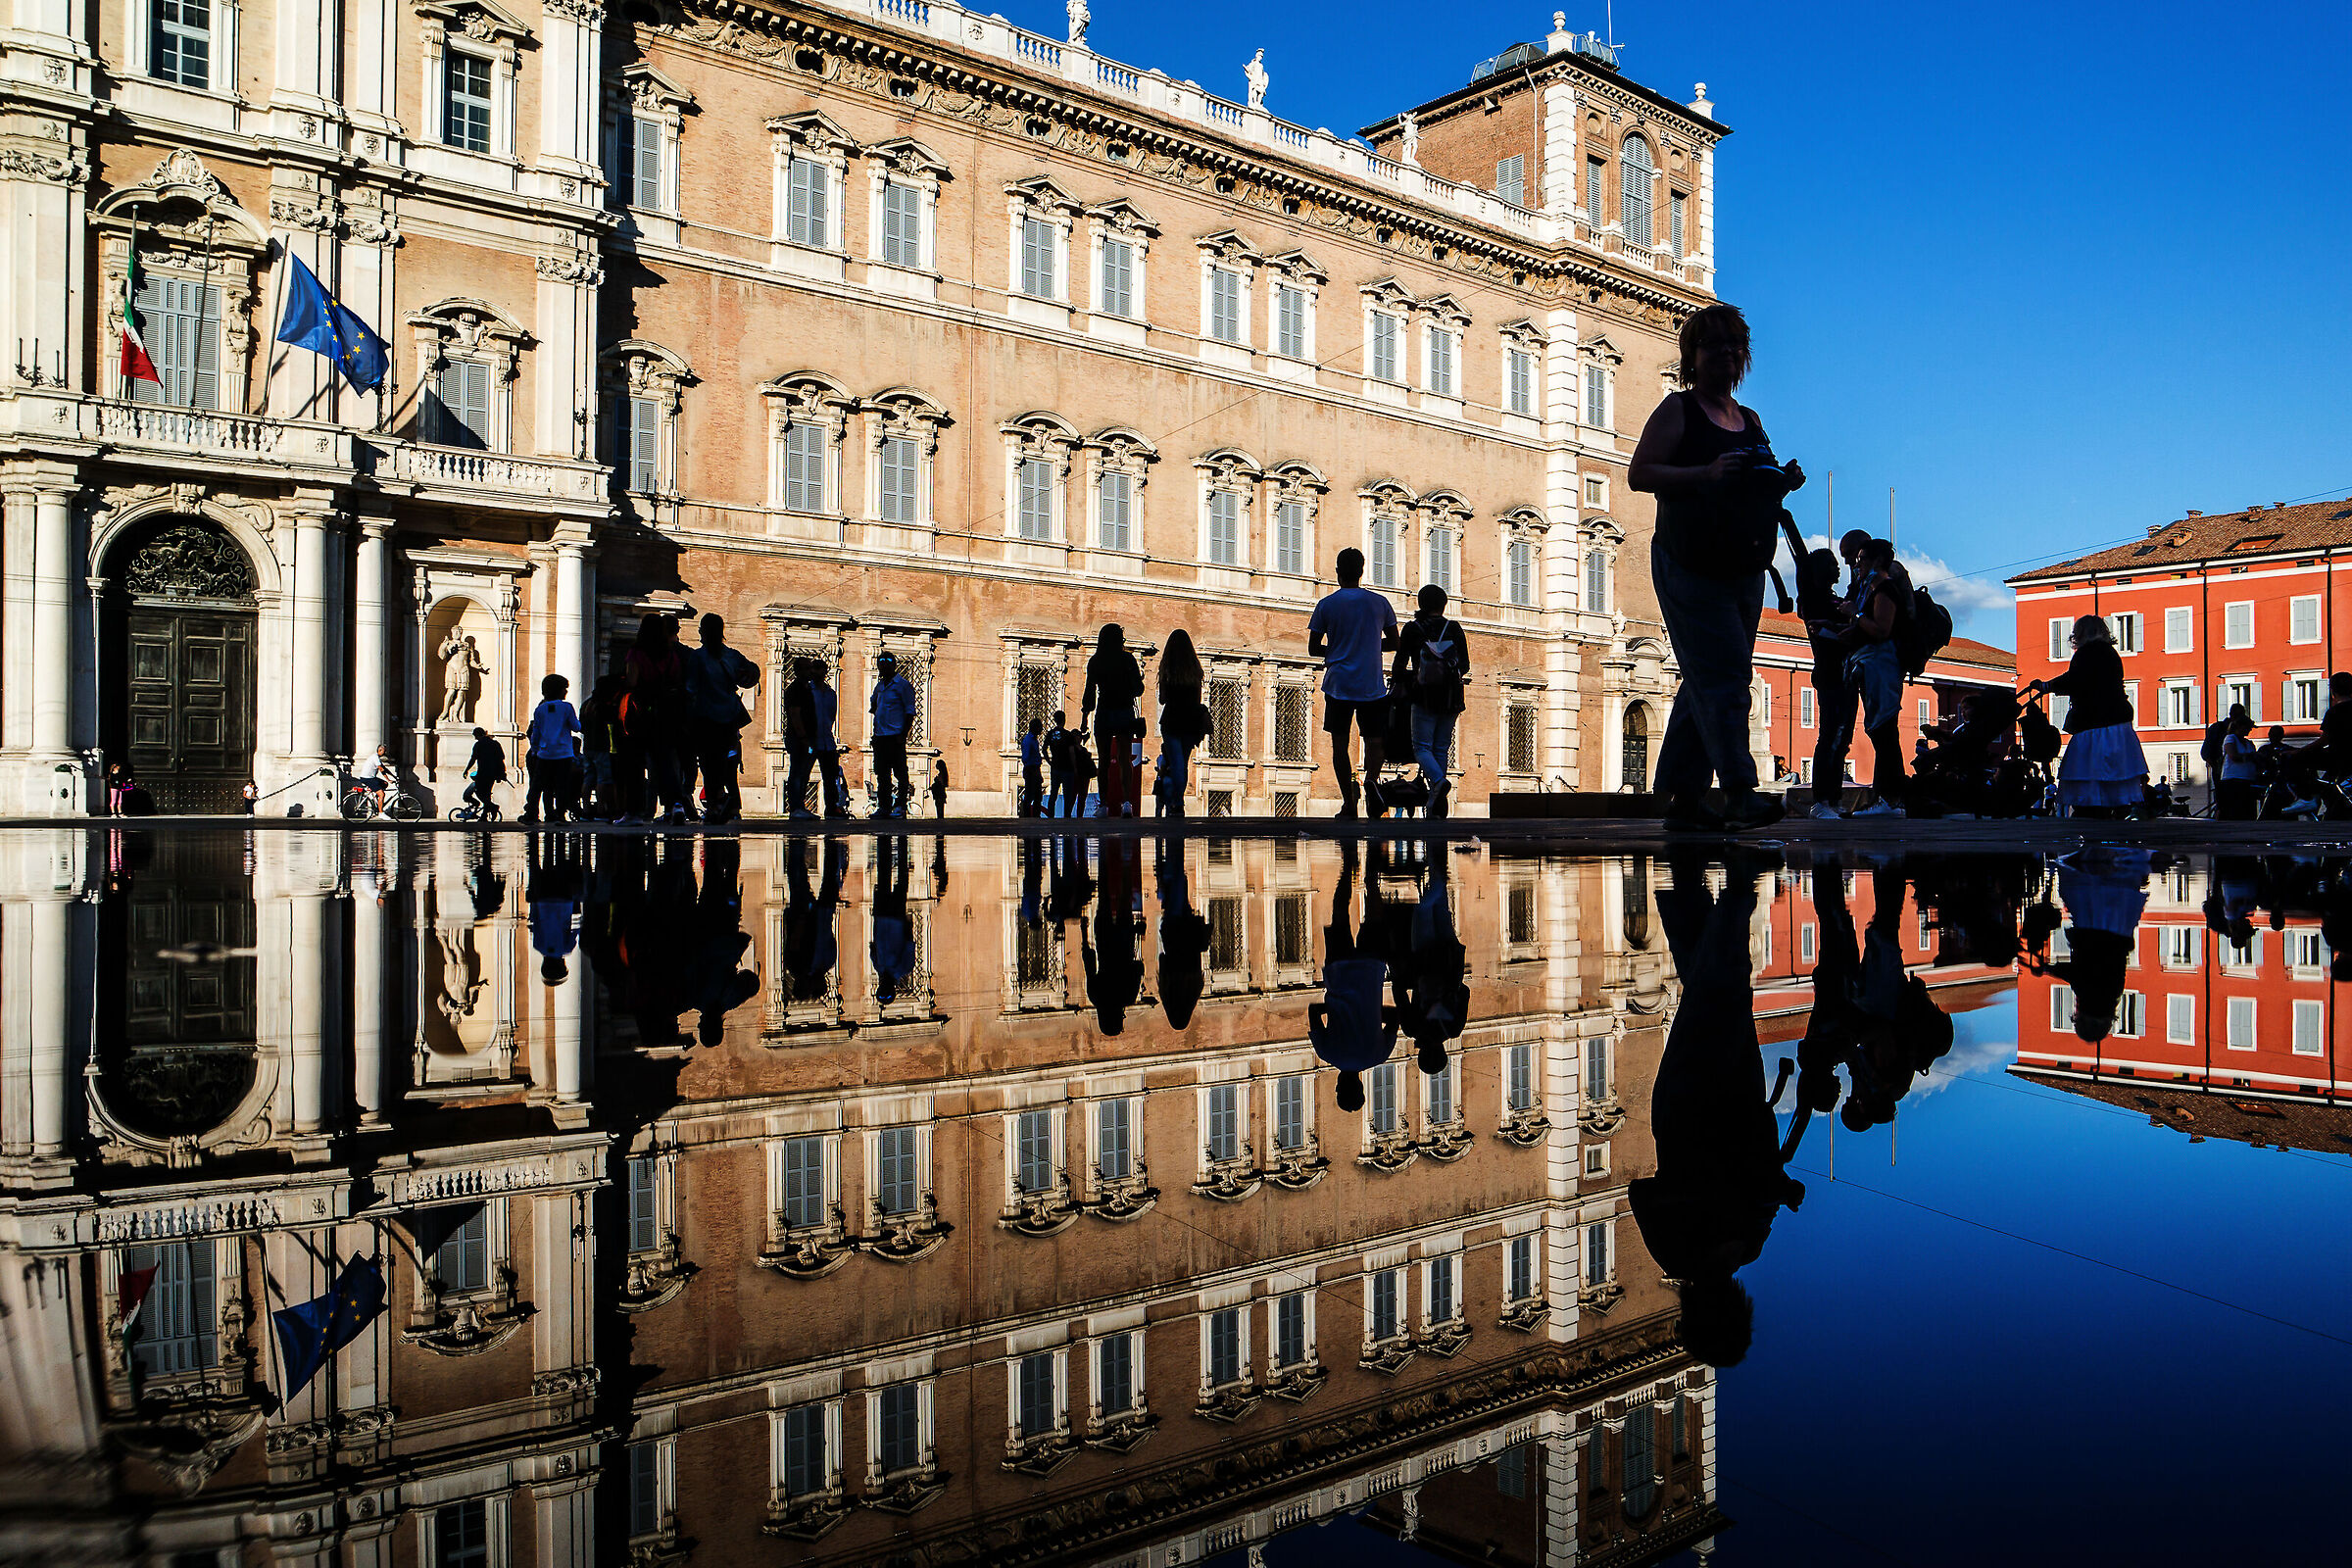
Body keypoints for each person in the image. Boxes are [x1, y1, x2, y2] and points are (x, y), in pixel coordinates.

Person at [1628, 302, 1804, 832]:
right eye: (1715, 346)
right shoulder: (1679, 411)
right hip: (1690, 564)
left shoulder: (1749, 420)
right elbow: (1641, 474)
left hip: (1745, 567)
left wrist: (1778, 479)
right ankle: (1738, 791)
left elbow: (1750, 478)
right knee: (1726, 676)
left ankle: (1682, 797)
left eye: (1735, 346)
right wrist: (1705, 472)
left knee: (1705, 677)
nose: (1727, 355)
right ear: (1693, 356)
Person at [1306, 548, 1400, 819]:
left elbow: (1314, 648)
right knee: (1375, 741)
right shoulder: (1380, 603)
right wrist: (1369, 647)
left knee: (1339, 745)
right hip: (1371, 684)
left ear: (1337, 572)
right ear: (1362, 571)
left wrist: (1338, 650)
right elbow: (1395, 643)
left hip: (1338, 684)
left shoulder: (1326, 605)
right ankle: (1371, 778)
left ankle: (1349, 802)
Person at [2024, 614, 2147, 818]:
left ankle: (2091, 815)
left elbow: (2073, 680)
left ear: (2079, 634)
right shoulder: (2110, 653)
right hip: (2118, 724)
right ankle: (2114, 813)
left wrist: (2047, 686)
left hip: (2093, 724)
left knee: (2089, 774)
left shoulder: (2085, 654)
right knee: (2113, 778)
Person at [1308, 844, 1398, 1109]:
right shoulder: (1327, 1053)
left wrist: (1369, 1009)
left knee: (1373, 915)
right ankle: (1348, 868)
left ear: (1360, 1086)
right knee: (1340, 911)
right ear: (1339, 1087)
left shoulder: (1379, 1055)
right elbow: (1314, 1013)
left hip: (1370, 972)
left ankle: (1371, 872)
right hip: (1338, 972)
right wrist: (1336, 1005)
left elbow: (1393, 1017)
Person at [1832, 537, 1911, 817]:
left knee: (1884, 731)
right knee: (1880, 730)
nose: (1856, 563)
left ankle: (1890, 800)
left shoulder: (1884, 588)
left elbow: (1881, 630)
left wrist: (1854, 615)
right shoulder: (1871, 587)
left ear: (1877, 561)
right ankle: (1888, 798)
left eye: (1861, 558)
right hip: (1872, 666)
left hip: (1881, 667)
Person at [1391, 584, 1470, 818]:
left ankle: (1438, 781)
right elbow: (1464, 665)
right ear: (1444, 604)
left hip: (1423, 695)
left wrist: (1413, 677)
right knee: (1440, 747)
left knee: (1422, 748)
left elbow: (1398, 667)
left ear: (1420, 604)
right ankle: (1437, 802)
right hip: (1451, 697)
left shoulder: (1412, 629)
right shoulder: (1454, 628)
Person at [684, 613, 760, 827]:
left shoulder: (698, 658)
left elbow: (690, 688)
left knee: (709, 763)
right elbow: (751, 674)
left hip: (706, 718)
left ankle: (717, 804)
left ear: (703, 632)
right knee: (724, 762)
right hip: (729, 718)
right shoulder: (732, 656)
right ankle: (725, 802)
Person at [1796, 549, 1855, 820]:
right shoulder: (1812, 598)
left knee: (1842, 740)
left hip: (1845, 673)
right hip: (1831, 672)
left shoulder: (1835, 600)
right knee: (1830, 737)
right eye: (1833, 564)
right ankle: (1821, 801)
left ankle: (1832, 799)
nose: (1839, 568)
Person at [624, 612, 690, 824]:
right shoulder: (670, 655)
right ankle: (676, 805)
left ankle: (634, 811)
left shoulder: (636, 653)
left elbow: (632, 681)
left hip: (642, 711)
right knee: (666, 763)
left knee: (635, 762)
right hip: (666, 713)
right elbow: (676, 680)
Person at [1081, 625, 1145, 817]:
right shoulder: (1127, 660)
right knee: (1125, 759)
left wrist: (1084, 718)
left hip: (1104, 711)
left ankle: (1103, 805)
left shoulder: (1095, 661)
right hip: (1124, 711)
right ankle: (1126, 802)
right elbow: (1139, 690)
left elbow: (1089, 693)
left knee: (1103, 761)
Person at [1155, 629, 1207, 818]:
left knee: (1175, 762)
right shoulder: (1195, 669)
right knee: (1182, 763)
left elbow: (1162, 699)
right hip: (1190, 719)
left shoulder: (1167, 669)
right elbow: (1198, 698)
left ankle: (1176, 802)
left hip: (1171, 719)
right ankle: (1179, 802)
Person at [523, 674, 580, 823]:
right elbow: (576, 726)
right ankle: (560, 814)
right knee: (562, 785)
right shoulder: (567, 707)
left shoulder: (540, 710)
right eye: (565, 689)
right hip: (564, 753)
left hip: (545, 753)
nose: (566, 692)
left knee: (540, 785)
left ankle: (534, 812)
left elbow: (536, 732)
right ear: (560, 690)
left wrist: (535, 749)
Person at [868, 651, 919, 818]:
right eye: (880, 662)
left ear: (894, 665)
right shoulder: (879, 686)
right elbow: (874, 706)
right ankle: (884, 806)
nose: (883, 665)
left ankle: (900, 806)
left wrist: (903, 734)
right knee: (882, 774)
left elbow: (910, 711)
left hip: (895, 735)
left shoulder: (902, 685)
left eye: (887, 662)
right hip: (880, 736)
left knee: (900, 773)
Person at [579, 677, 623, 821]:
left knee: (588, 778)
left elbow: (582, 726)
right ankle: (601, 810)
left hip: (588, 746)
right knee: (603, 779)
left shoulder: (586, 704)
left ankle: (586, 810)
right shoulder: (603, 705)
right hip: (601, 746)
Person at [2218, 712, 2260, 820]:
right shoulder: (2230, 738)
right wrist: (2251, 756)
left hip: (2248, 779)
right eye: (2248, 727)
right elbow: (2233, 755)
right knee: (2235, 810)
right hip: (2233, 779)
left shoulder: (2249, 743)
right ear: (2240, 727)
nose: (2249, 730)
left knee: (2248, 811)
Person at [462, 725, 507, 817]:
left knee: (479, 792)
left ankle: (492, 807)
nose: (475, 738)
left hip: (483, 772)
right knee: (487, 793)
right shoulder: (495, 744)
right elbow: (501, 758)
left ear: (478, 735)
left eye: (475, 736)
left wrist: (466, 769)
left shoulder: (479, 744)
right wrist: (501, 773)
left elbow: (473, 759)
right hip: (493, 773)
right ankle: (484, 815)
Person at [1045, 710, 1077, 818]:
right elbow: (1072, 752)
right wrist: (1074, 766)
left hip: (1055, 767)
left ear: (1054, 720)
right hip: (1067, 768)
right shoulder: (1068, 735)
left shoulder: (1050, 734)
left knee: (1053, 793)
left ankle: (1050, 816)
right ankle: (1067, 816)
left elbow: (1044, 749)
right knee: (1067, 794)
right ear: (1064, 720)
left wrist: (1049, 761)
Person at [1019, 717, 1046, 817]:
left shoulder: (1033, 740)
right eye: (1040, 727)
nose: (1041, 729)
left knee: (1037, 795)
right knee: (1030, 794)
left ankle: (1035, 815)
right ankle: (1027, 816)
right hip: (1031, 769)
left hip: (1034, 768)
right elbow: (1025, 757)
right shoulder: (1028, 740)